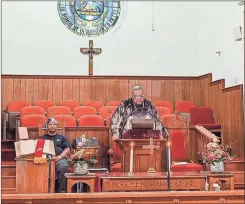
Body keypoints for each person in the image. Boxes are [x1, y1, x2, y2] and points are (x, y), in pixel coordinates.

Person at [40, 118, 71, 193]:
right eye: (50, 124)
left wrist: (59, 157)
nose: (52, 126)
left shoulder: (62, 138)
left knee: (63, 166)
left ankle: (62, 190)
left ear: (57, 126)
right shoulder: (41, 138)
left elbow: (67, 149)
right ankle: (42, 189)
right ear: (47, 126)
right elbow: (38, 150)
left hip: (59, 158)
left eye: (54, 124)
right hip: (46, 160)